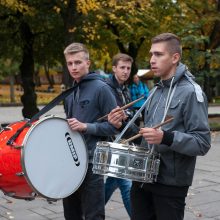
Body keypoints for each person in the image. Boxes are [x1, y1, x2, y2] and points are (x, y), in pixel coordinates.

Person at [108, 33, 211, 220]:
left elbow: (202, 142)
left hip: (170, 184)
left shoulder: (191, 92)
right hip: (142, 178)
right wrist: (122, 123)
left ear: (175, 58)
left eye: (158, 54)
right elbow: (145, 138)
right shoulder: (156, 90)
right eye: (151, 54)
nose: (152, 60)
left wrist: (166, 137)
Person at [62, 42, 123, 220]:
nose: (73, 67)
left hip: (93, 163)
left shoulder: (102, 89)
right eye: (70, 63)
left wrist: (86, 126)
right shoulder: (71, 92)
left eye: (78, 62)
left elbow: (115, 127)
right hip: (72, 163)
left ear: (88, 63)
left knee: (93, 215)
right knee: (71, 214)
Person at [104, 53, 136, 217]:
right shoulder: (106, 88)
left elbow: (129, 112)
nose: (125, 71)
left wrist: (127, 115)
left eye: (128, 68)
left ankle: (88, 211)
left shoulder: (125, 88)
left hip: (121, 141)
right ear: (114, 68)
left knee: (112, 181)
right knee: (126, 184)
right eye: (122, 67)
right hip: (111, 141)